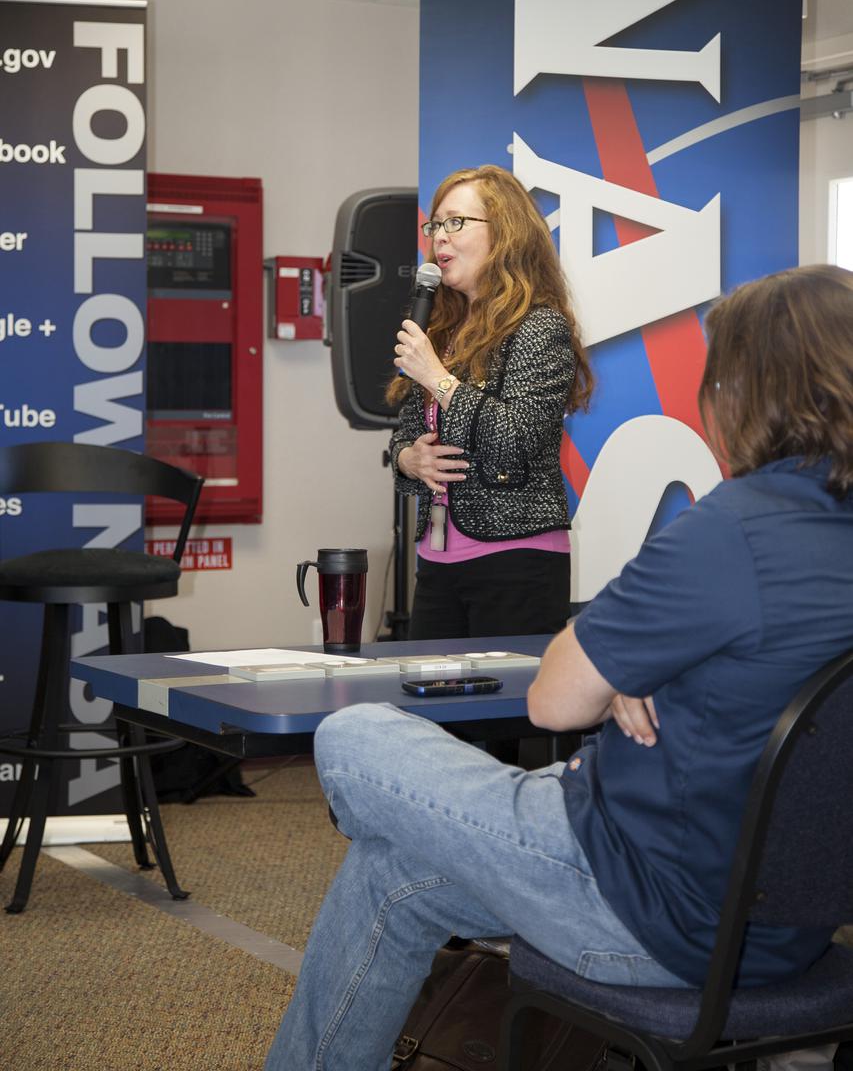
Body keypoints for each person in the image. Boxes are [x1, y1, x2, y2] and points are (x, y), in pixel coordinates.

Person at [265, 264, 853, 1071]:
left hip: (640, 909)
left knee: (353, 735)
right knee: (392, 876)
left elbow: (553, 702)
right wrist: (640, 672)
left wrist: (617, 677)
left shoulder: (735, 528)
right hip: (789, 927)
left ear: (744, 390)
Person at [386, 164, 593, 643]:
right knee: (429, 705)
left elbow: (516, 440)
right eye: (435, 224)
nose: (440, 236)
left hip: (515, 561)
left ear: (505, 234)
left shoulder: (540, 328)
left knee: (499, 718)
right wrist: (409, 458)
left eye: (456, 222)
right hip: (436, 560)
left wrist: (437, 378)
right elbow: (405, 434)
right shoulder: (443, 329)